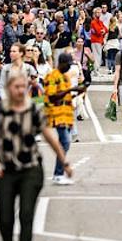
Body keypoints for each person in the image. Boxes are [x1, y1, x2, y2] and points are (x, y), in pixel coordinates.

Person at [0, 70, 73, 241]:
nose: (19, 91)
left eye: (23, 87)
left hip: (30, 169)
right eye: (15, 87)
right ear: (8, 89)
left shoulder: (33, 110)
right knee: (5, 218)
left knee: (26, 214)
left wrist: (65, 162)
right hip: (4, 170)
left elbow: (50, 137)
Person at [43, 52, 86, 185]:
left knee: (64, 143)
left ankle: (58, 173)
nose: (69, 67)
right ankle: (59, 172)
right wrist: (70, 90)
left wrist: (76, 92)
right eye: (68, 64)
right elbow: (52, 97)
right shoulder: (52, 76)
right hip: (56, 114)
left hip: (66, 114)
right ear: (61, 63)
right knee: (65, 142)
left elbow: (65, 97)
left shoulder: (65, 78)